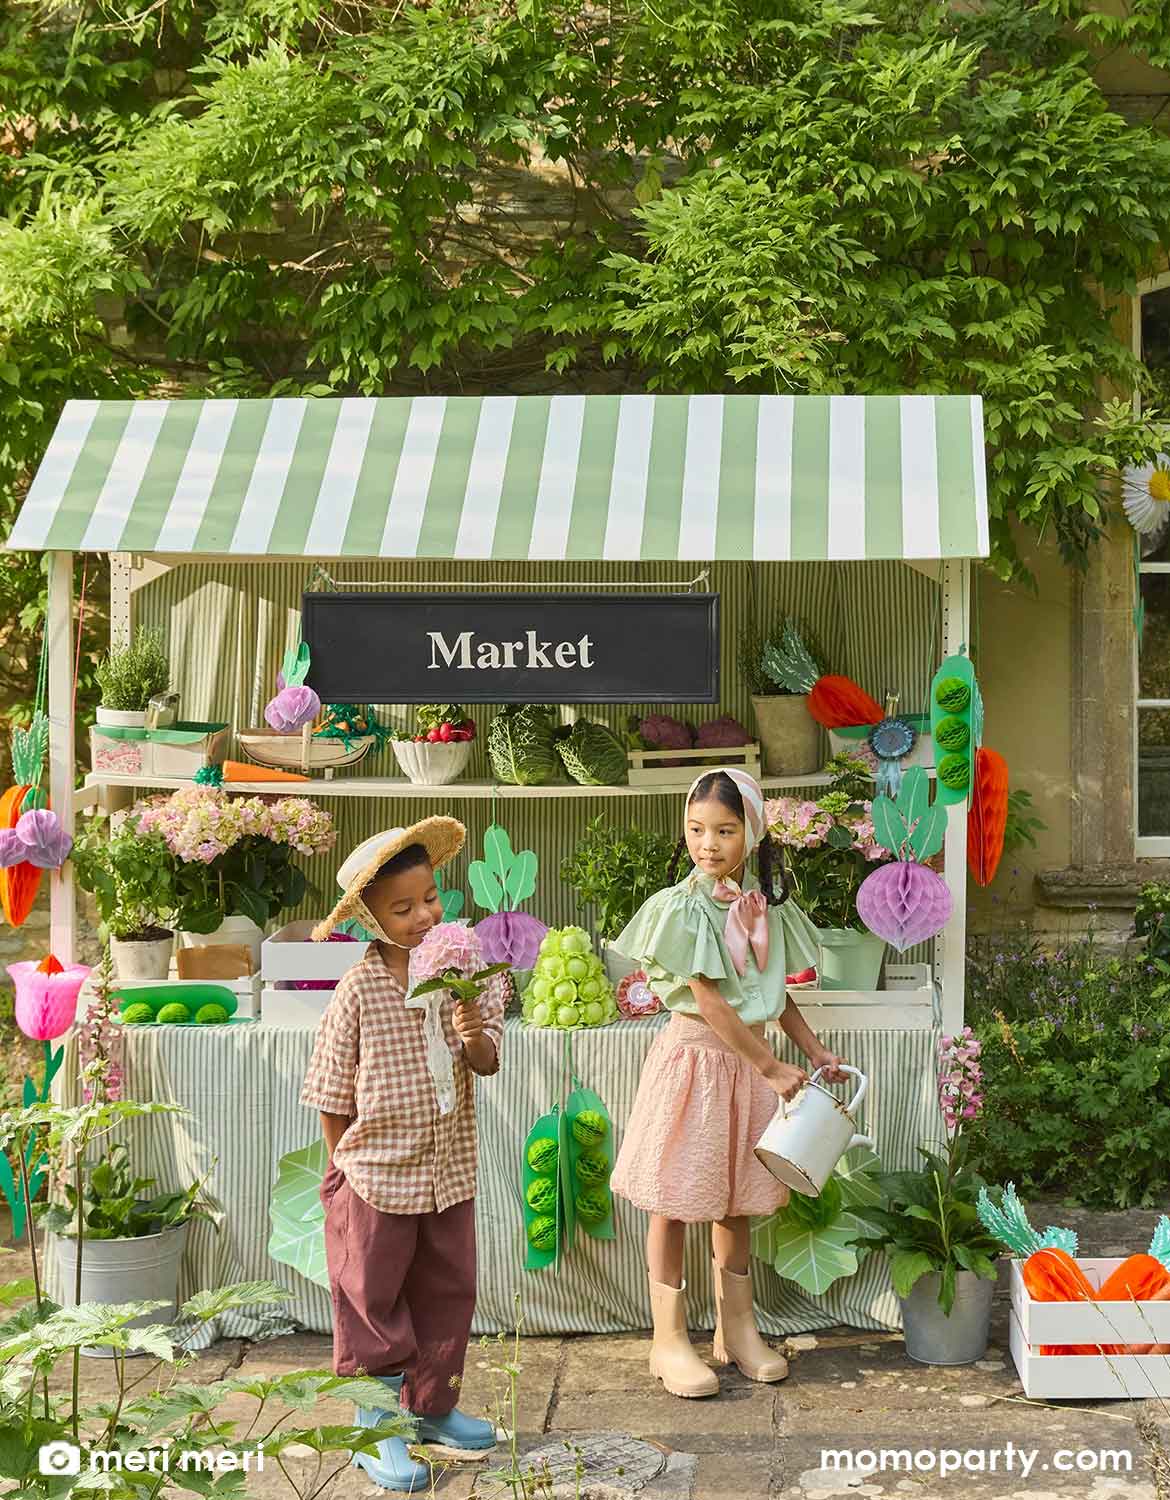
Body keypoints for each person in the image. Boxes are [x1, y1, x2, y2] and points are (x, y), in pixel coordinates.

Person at [610, 766, 852, 1399]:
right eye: (695, 829)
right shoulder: (682, 908)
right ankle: (668, 1339)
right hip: (695, 1065)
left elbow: (773, 996)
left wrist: (809, 1048)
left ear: (753, 832)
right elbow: (710, 1001)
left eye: (723, 830)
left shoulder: (764, 907)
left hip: (747, 1070)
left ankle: (736, 1328)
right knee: (675, 1198)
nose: (707, 844)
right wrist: (770, 1067)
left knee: (735, 1197)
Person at [301, 818, 506, 1493]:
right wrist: (345, 1173)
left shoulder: (463, 977)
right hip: (375, 1178)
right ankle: (377, 1430)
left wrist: (471, 1025)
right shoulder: (358, 991)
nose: (423, 916)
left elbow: (485, 1063)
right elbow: (332, 1093)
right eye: (402, 907)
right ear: (367, 918)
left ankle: (433, 1410)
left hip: (447, 1169)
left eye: (430, 898)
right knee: (373, 1300)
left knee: (447, 1289)